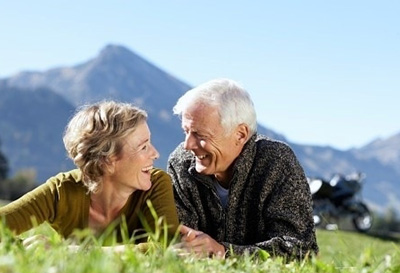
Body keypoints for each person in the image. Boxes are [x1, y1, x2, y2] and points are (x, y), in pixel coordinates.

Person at [167, 78, 318, 260]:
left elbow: (299, 250)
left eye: (200, 135)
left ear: (240, 134)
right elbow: (178, 244)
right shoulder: (180, 162)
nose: (188, 145)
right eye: (186, 131)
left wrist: (224, 253)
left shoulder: (277, 162)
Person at [0, 100, 179, 250]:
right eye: (144, 147)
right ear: (107, 160)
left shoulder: (156, 184)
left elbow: (168, 248)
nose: (155, 154)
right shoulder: (61, 191)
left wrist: (70, 252)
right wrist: (25, 247)